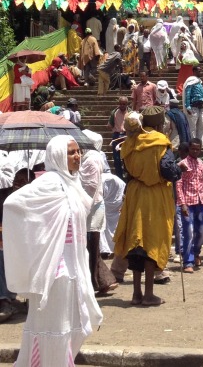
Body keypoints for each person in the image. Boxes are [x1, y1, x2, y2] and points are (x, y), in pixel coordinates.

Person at [3, 136, 103, 365]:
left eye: (78, 151)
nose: (77, 156)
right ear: (58, 155)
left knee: (73, 323)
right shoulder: (49, 182)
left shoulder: (72, 183)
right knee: (55, 324)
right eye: (71, 152)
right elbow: (13, 204)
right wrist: (39, 234)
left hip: (74, 263)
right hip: (56, 268)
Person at [113, 108, 179, 305]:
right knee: (152, 241)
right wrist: (179, 170)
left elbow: (123, 168)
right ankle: (149, 294)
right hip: (155, 195)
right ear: (159, 124)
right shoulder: (160, 142)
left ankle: (136, 294)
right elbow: (168, 170)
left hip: (135, 193)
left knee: (136, 242)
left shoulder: (131, 142)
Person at [80, 145, 117, 295]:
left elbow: (91, 186)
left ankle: (98, 282)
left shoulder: (92, 160)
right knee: (90, 247)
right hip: (89, 207)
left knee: (91, 246)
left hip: (92, 207)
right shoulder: (88, 158)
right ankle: (102, 281)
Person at [175, 138, 203, 273]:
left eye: (197, 149)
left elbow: (202, 182)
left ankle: (196, 253)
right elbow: (178, 185)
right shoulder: (182, 164)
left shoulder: (201, 163)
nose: (195, 151)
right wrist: (182, 204)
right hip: (187, 203)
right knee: (188, 232)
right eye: (193, 149)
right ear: (189, 149)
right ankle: (188, 261)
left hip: (200, 202)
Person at [108, 96, 130, 179]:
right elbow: (109, 124)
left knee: (127, 157)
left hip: (126, 136)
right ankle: (119, 176)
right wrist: (114, 130)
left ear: (127, 104)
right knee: (117, 158)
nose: (122, 106)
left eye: (124, 104)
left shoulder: (130, 112)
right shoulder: (114, 112)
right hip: (117, 135)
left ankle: (128, 175)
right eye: (120, 104)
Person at [182, 66, 203, 142]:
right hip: (193, 107)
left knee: (201, 126)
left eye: (201, 71)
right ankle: (193, 142)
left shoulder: (199, 81)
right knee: (192, 127)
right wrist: (188, 106)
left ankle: (200, 143)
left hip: (200, 107)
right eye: (199, 71)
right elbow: (187, 94)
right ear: (194, 72)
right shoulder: (191, 81)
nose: (200, 72)